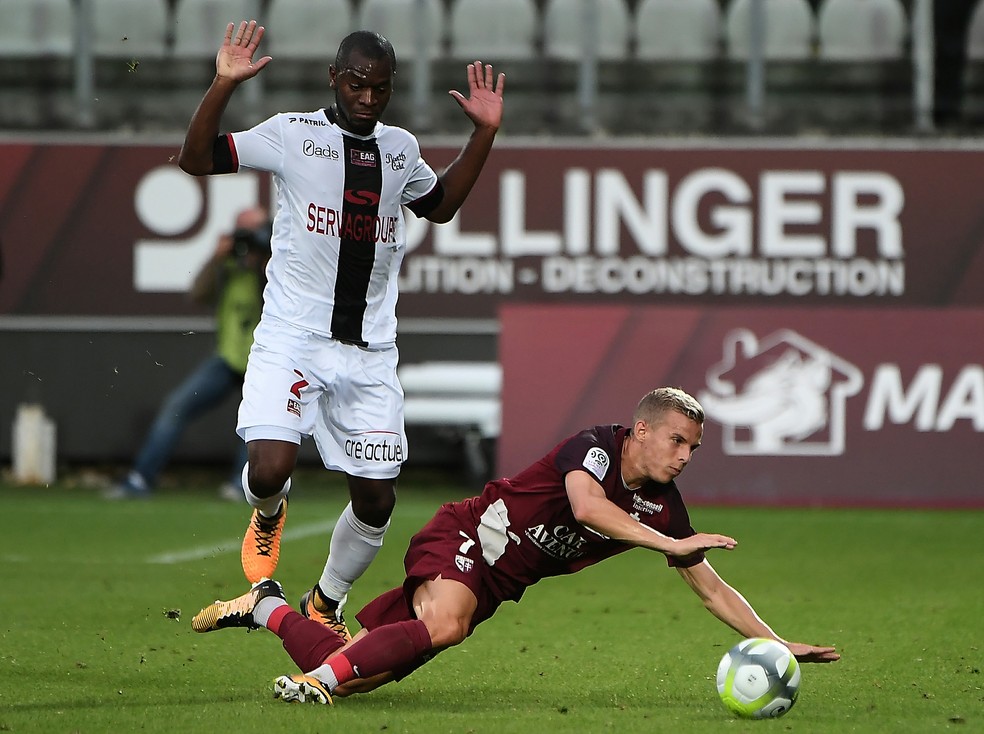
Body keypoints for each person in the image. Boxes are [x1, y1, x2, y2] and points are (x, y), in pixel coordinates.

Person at [191, 387, 840, 705]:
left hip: (498, 584)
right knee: (439, 626)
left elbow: (710, 586)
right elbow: (589, 508)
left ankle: (266, 606)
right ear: (641, 430)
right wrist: (665, 541)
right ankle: (312, 684)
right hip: (467, 536)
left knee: (363, 667)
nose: (685, 456)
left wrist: (776, 641)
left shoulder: (665, 507)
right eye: (676, 441)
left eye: (694, 447)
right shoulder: (595, 446)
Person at [177, 20, 505, 640]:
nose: (367, 97)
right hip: (293, 337)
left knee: (378, 500)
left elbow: (442, 205)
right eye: (356, 84)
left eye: (380, 88)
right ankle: (267, 514)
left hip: (370, 352)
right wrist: (222, 83)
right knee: (270, 468)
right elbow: (197, 158)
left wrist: (483, 133)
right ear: (333, 78)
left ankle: (325, 602)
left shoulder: (400, 149)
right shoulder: (292, 134)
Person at [105, 206, 270, 501]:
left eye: (256, 229)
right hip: (228, 356)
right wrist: (217, 259)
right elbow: (197, 293)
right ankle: (141, 478)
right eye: (243, 230)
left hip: (263, 359)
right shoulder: (228, 266)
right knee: (176, 406)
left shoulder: (274, 265)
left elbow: (271, 294)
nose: (250, 237)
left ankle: (241, 484)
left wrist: (263, 258)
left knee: (256, 422)